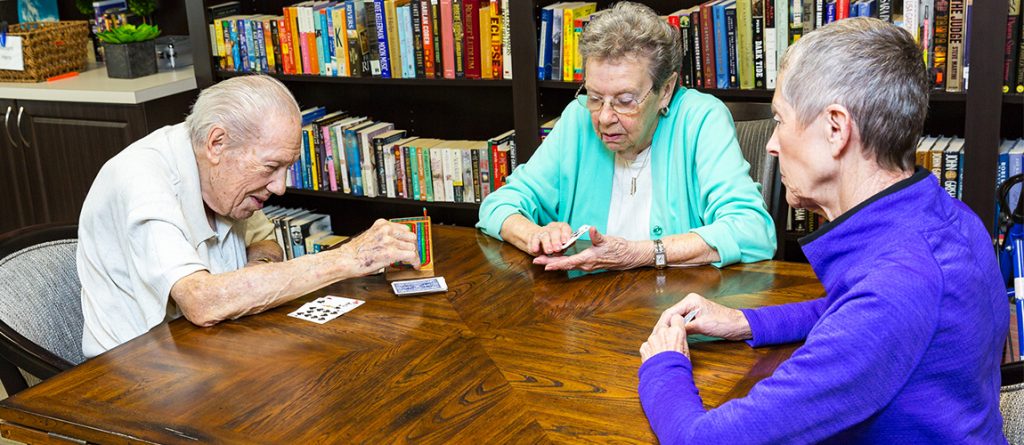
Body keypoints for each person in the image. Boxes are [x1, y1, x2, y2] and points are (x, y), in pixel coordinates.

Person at [638, 18, 1008, 443]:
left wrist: (664, 365)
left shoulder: (895, 290)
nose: (772, 144)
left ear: (836, 128)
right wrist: (744, 321)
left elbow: (703, 440)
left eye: (779, 119)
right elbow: (850, 313)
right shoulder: (951, 219)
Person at [77, 75, 420, 358]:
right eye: (272, 166)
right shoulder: (140, 179)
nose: (281, 187)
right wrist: (348, 258)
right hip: (134, 374)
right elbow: (203, 301)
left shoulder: (224, 177)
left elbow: (265, 240)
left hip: (205, 350)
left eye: (287, 168)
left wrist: (257, 272)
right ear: (217, 144)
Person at [476, 2, 775, 271]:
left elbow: (752, 230)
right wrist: (535, 235)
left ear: (665, 91)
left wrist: (640, 253)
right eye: (594, 96)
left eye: (625, 100)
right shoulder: (578, 119)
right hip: (587, 311)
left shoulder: (700, 119)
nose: (605, 117)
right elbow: (498, 205)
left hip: (676, 316)